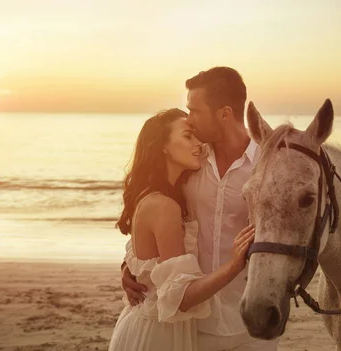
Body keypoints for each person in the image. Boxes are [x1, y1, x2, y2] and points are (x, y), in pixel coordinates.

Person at [121, 67, 279, 350]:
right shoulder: (191, 161)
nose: (189, 120)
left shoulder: (269, 167)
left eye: (194, 110)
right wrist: (133, 267)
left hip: (250, 322)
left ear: (224, 114)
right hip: (195, 323)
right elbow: (152, 212)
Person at [109, 108, 256, 351]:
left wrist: (128, 267)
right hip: (157, 335)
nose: (199, 144)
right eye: (188, 136)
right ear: (163, 146)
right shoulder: (164, 205)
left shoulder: (171, 195)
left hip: (162, 328)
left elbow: (146, 255)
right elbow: (181, 298)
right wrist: (235, 264)